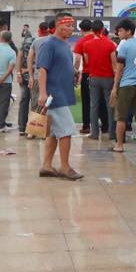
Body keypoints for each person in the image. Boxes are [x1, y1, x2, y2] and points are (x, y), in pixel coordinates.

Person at [35, 12, 82, 180]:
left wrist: (75, 72)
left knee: (55, 132)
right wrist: (42, 93)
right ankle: (65, 166)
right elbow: (42, 69)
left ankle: (46, 165)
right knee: (67, 131)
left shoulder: (64, 45)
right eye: (68, 26)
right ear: (58, 25)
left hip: (62, 92)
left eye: (72, 26)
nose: (71, 29)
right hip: (54, 95)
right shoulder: (49, 44)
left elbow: (62, 66)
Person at [110, 18, 136, 152]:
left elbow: (119, 68)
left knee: (121, 116)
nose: (119, 33)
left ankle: (119, 145)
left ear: (129, 31)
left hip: (125, 84)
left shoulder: (123, 46)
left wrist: (115, 87)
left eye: (121, 30)